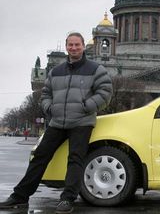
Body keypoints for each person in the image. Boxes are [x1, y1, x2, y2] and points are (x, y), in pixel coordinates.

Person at [0, 32, 113, 214]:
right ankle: (20, 197)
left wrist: (87, 107)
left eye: (77, 45)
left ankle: (67, 199)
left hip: (82, 121)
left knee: (75, 159)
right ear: (67, 47)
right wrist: (50, 109)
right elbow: (45, 94)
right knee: (39, 157)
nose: (74, 48)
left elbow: (106, 92)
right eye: (70, 45)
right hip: (58, 121)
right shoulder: (56, 71)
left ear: (84, 46)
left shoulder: (96, 69)